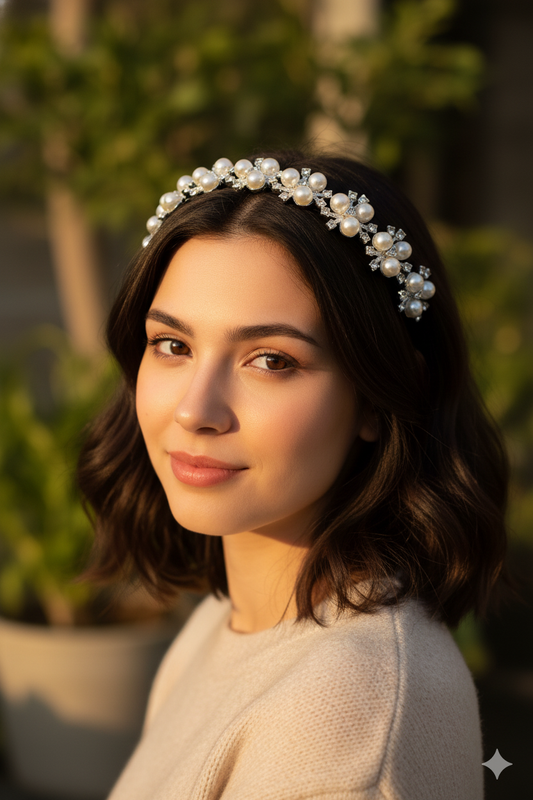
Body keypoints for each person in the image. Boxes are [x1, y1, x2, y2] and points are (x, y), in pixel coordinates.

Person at [76, 150, 514, 799]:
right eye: (173, 345)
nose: (197, 409)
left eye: (271, 360)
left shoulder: (342, 722)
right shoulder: (229, 624)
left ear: (378, 395)